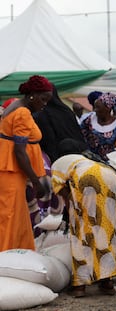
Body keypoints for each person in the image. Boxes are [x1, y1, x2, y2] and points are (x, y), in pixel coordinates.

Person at [51, 140, 116, 298]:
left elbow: (62, 191)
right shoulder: (87, 159)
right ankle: (107, 282)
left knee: (82, 232)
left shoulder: (58, 163)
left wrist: (74, 214)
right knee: (106, 229)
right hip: (111, 175)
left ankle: (80, 285)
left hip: (87, 179)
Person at [0, 75, 52, 251]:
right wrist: (36, 182)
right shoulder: (23, 113)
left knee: (18, 216)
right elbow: (20, 151)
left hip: (12, 172)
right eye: (43, 99)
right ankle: (5, 258)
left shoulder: (17, 107)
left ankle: (20, 253)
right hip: (10, 172)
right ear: (32, 95)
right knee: (8, 217)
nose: (45, 104)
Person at [34, 84, 86, 163]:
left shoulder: (41, 115)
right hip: (77, 157)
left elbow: (49, 142)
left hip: (55, 160)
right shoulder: (66, 110)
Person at [80, 92, 116, 161]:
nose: (95, 110)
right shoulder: (89, 120)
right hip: (88, 160)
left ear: (108, 109)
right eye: (95, 107)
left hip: (109, 163)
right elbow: (79, 135)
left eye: (98, 108)